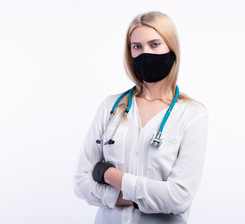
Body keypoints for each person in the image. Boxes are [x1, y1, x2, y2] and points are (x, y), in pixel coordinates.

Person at [73, 11, 208, 224]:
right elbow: (82, 182)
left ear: (171, 48)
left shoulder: (192, 114)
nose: (145, 53)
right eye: (137, 47)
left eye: (154, 44)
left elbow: (179, 197)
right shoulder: (111, 107)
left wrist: (111, 176)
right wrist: (144, 196)